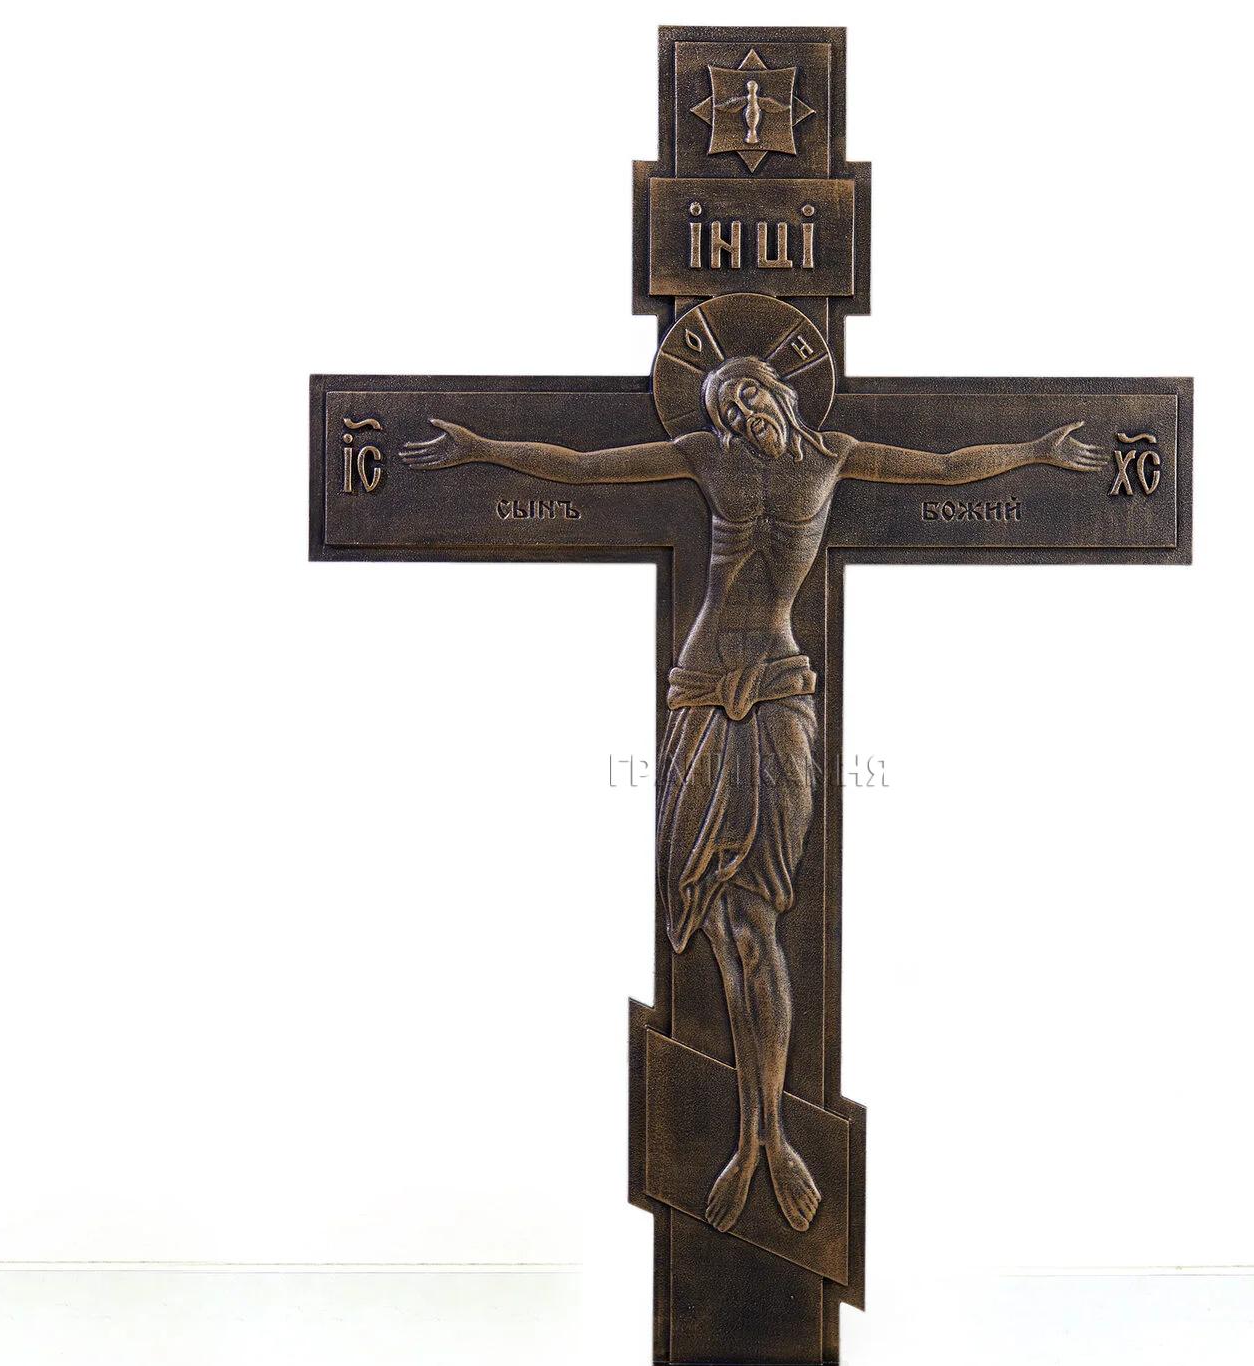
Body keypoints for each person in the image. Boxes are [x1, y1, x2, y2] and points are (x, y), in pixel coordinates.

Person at [402, 357, 1105, 1232]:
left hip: (779, 687)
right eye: (724, 408)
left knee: (761, 916)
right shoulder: (707, 457)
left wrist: (1037, 450)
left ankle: (767, 1136)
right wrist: (481, 447)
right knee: (725, 922)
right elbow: (581, 467)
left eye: (746, 396)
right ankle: (755, 1136)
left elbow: (948, 467)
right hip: (703, 688)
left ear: (779, 391)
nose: (739, 415)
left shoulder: (835, 454)